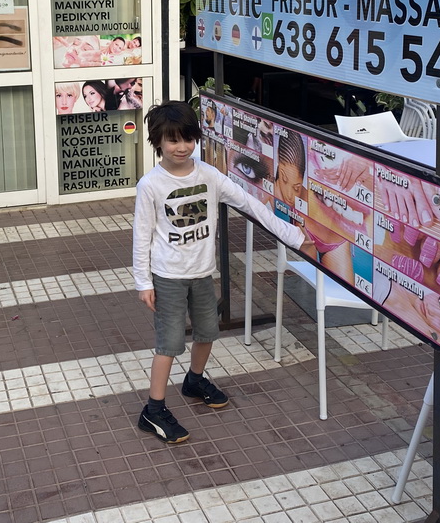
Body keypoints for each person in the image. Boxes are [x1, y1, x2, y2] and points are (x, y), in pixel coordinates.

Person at [132, 100, 309, 444]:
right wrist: (143, 282)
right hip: (167, 276)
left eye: (187, 138)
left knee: (208, 332)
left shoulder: (209, 175)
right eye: (172, 140)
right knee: (168, 345)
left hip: (202, 272)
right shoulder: (150, 185)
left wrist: (295, 237)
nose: (181, 147)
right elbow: (141, 236)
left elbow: (250, 204)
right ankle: (153, 409)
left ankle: (194, 380)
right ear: (158, 142)